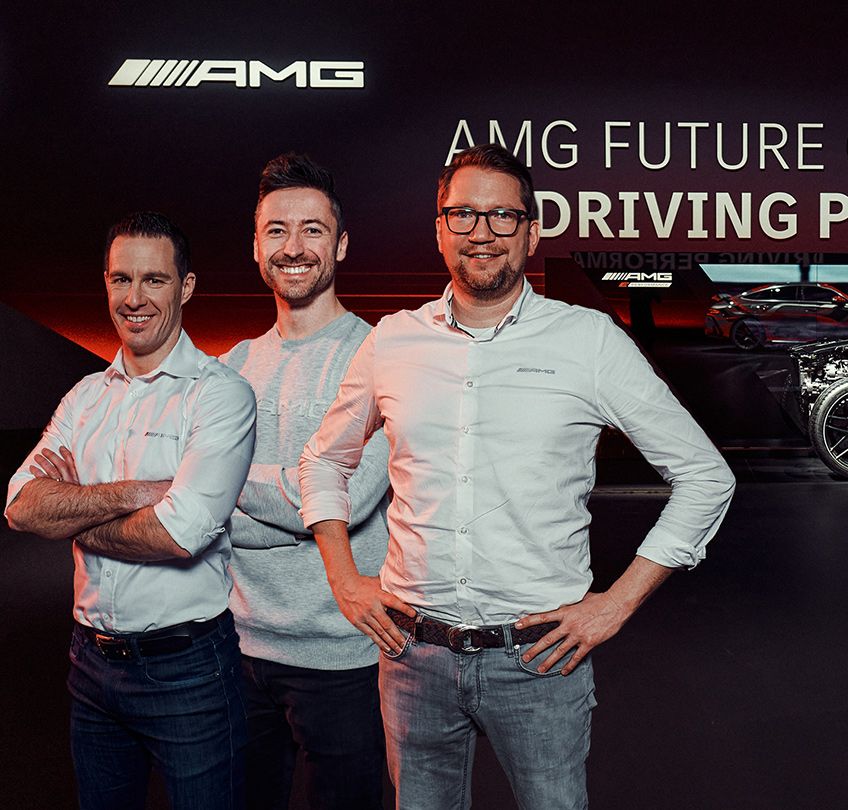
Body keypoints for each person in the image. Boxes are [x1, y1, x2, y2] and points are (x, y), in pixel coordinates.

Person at [297, 144, 735, 810]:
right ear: (439, 229)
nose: (482, 232)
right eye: (464, 214)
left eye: (503, 216)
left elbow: (705, 476)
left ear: (532, 232)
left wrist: (616, 603)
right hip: (413, 657)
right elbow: (324, 459)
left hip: (540, 663)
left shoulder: (587, 342)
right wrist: (342, 579)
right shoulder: (392, 341)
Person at [5, 212, 257, 810]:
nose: (134, 298)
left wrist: (70, 512)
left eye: (154, 280)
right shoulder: (85, 397)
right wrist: (132, 492)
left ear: (186, 287)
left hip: (189, 671)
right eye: (121, 279)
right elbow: (19, 506)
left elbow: (178, 534)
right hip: (90, 667)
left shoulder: (219, 395)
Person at [221, 153, 390, 810]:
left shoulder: (379, 358)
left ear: (341, 244)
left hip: (344, 659)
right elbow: (198, 506)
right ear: (256, 247)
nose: (294, 248)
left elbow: (340, 495)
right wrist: (288, 498)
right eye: (277, 231)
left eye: (313, 230)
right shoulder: (230, 367)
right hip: (237, 650)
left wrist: (242, 495)